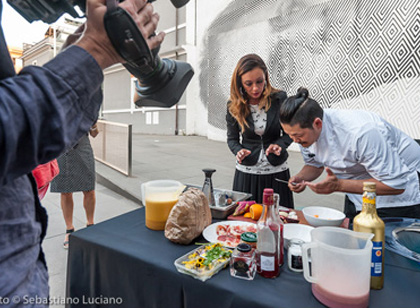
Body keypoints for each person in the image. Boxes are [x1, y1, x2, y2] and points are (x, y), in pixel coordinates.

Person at [0, 0, 164, 304]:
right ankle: (71, 230)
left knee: (86, 187)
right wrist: (94, 50)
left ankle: (88, 227)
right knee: (67, 191)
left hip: (22, 278)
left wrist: (78, 58)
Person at [279, 87, 420, 219]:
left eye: (298, 135)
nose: (294, 141)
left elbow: (396, 184)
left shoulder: (362, 132)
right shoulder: (305, 134)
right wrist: (301, 178)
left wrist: (339, 185)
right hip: (357, 192)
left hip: (401, 197)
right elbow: (314, 164)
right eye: (289, 135)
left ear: (317, 124)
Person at [226, 54, 294, 207]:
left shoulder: (279, 99)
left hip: (276, 170)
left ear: (266, 78)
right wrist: (238, 151)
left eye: (259, 81)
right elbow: (232, 139)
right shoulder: (233, 105)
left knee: (279, 219)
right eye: (248, 84)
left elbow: (290, 132)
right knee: (245, 222)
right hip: (246, 172)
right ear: (240, 84)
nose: (255, 88)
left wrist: (280, 145)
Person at [51, 123, 99, 249]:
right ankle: (69, 229)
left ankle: (90, 225)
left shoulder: (85, 106)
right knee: (65, 191)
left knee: (89, 189)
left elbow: (94, 134)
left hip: (83, 148)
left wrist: (93, 124)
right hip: (62, 150)